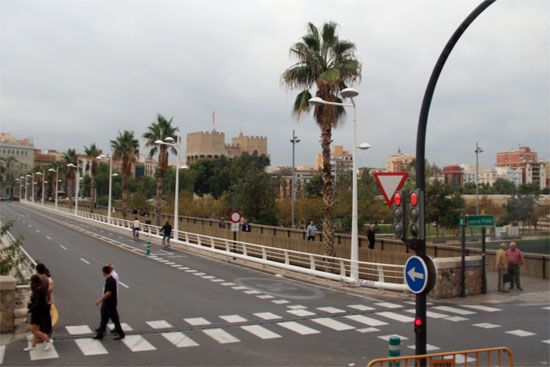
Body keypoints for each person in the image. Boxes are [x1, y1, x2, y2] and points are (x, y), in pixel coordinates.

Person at [93, 266, 125, 340]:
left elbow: (108, 293)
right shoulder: (108, 279)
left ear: (104, 272)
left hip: (110, 304)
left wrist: (100, 300)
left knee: (115, 320)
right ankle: (100, 334)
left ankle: (121, 334)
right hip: (107, 303)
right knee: (103, 319)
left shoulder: (111, 280)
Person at [24, 275, 52, 351]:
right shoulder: (41, 289)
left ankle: (47, 340)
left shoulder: (37, 291)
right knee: (36, 330)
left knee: (33, 330)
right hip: (39, 312)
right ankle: (32, 346)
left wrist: (30, 309)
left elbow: (37, 303)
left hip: (36, 313)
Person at [35, 263, 54, 338]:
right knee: (45, 316)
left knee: (46, 316)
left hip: (46, 301)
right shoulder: (41, 279)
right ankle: (44, 332)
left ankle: (47, 332)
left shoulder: (47, 279)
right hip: (43, 301)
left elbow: (50, 289)